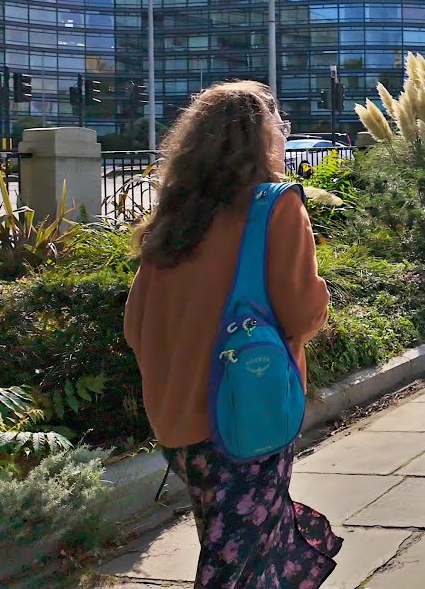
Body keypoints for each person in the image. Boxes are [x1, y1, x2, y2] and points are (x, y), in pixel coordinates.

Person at [124, 81, 341, 588]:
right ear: (263, 139)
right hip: (243, 419)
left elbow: (135, 326)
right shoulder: (275, 206)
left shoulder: (175, 216)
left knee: (238, 547)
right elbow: (304, 313)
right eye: (279, 128)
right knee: (236, 567)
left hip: (178, 423)